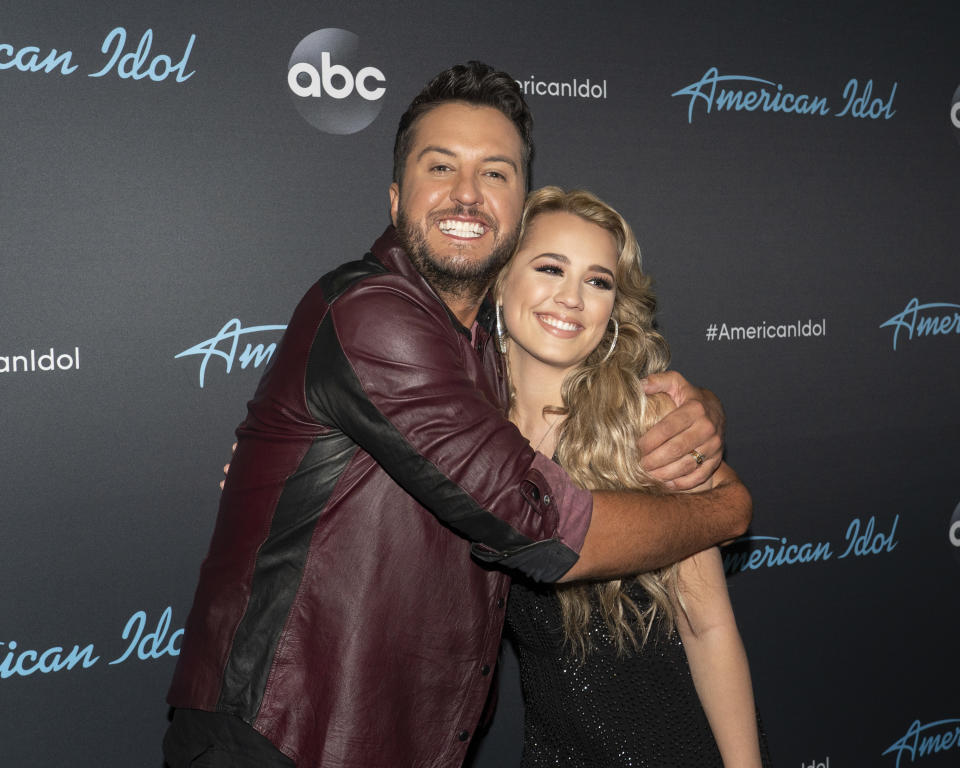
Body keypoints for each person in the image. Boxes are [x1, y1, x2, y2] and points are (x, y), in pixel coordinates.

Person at [163, 62, 750, 768]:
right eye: (441, 166)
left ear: (516, 207)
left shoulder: (482, 363)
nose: (467, 193)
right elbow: (537, 523)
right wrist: (727, 510)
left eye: (496, 173)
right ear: (393, 195)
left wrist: (701, 409)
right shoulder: (377, 315)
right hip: (285, 735)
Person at [492, 186, 770, 767]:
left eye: (598, 281)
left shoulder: (652, 424)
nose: (571, 299)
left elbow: (708, 629)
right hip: (554, 754)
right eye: (550, 268)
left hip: (678, 750)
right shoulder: (458, 438)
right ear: (499, 279)